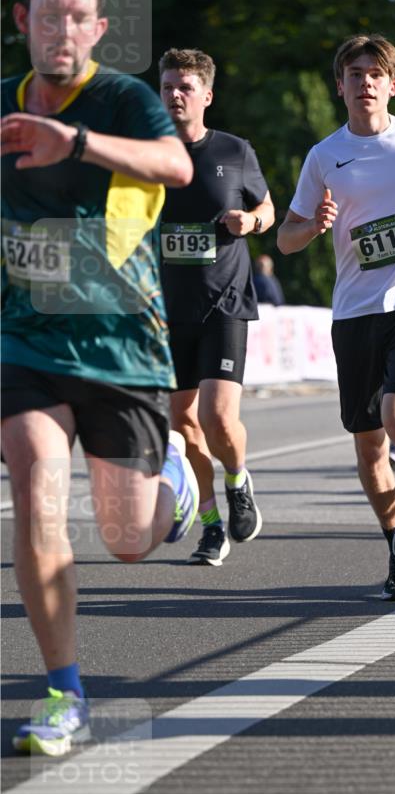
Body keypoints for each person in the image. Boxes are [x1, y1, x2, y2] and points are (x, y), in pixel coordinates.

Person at [1, 0, 197, 756]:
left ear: (98, 29)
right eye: (49, 15)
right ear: (23, 19)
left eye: (78, 16)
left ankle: (173, 485)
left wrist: (74, 142)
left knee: (124, 538)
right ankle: (64, 693)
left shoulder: (122, 100)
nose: (62, 30)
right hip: (25, 339)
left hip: (122, 342)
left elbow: (177, 167)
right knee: (36, 487)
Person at [277, 34, 395, 601]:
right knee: (367, 446)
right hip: (354, 309)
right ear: (339, 85)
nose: (365, 82)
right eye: (354, 73)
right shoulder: (323, 155)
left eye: (375, 73)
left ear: (392, 84)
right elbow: (287, 240)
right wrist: (312, 225)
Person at [159, 48, 275, 566]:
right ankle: (210, 527)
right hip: (166, 308)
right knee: (183, 424)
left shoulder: (233, 149)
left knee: (217, 417)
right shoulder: (146, 154)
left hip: (225, 301)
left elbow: (268, 208)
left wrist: (250, 223)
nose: (175, 94)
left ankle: (238, 479)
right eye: (167, 86)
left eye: (185, 86)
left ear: (206, 95)